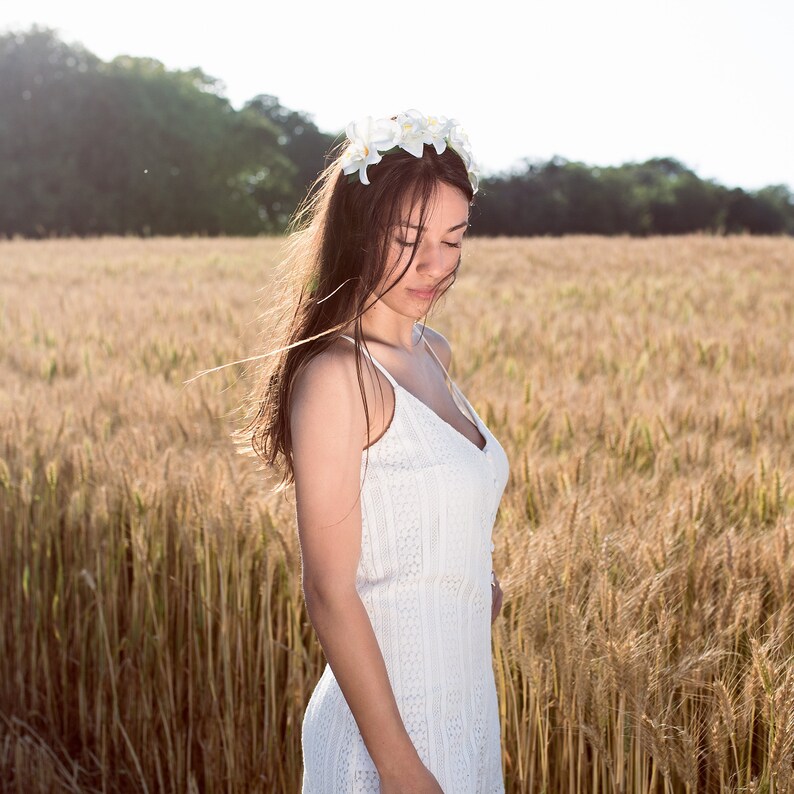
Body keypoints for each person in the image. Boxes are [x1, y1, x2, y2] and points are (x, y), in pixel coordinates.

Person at [238, 110, 509, 793]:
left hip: (465, 708)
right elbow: (329, 590)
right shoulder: (338, 377)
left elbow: (424, 519)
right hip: (387, 741)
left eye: (454, 240)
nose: (435, 265)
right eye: (409, 239)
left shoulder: (433, 353)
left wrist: (475, 588)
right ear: (360, 233)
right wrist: (399, 768)